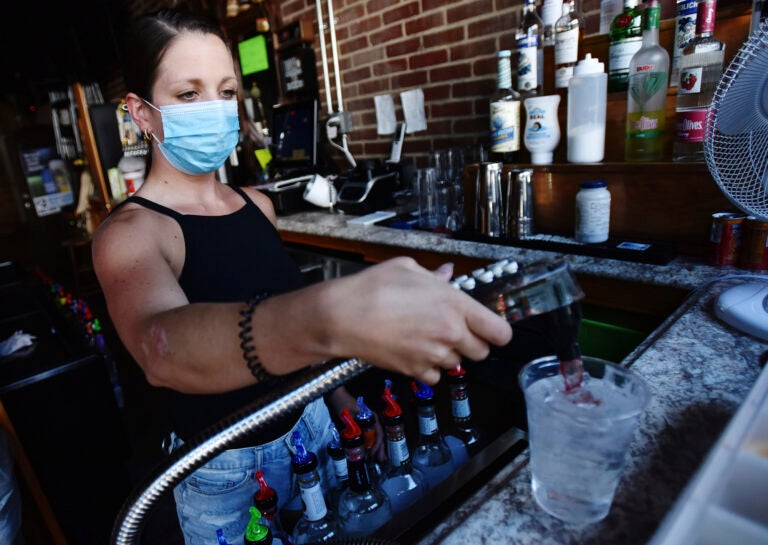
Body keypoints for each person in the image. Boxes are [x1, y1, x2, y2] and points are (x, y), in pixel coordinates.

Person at [92, 8, 512, 544]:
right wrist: (331, 316)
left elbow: (290, 327)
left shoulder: (259, 206)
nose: (216, 110)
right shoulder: (132, 234)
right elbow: (161, 348)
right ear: (142, 114)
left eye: (226, 92)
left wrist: (338, 400)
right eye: (189, 95)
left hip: (312, 428)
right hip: (226, 468)